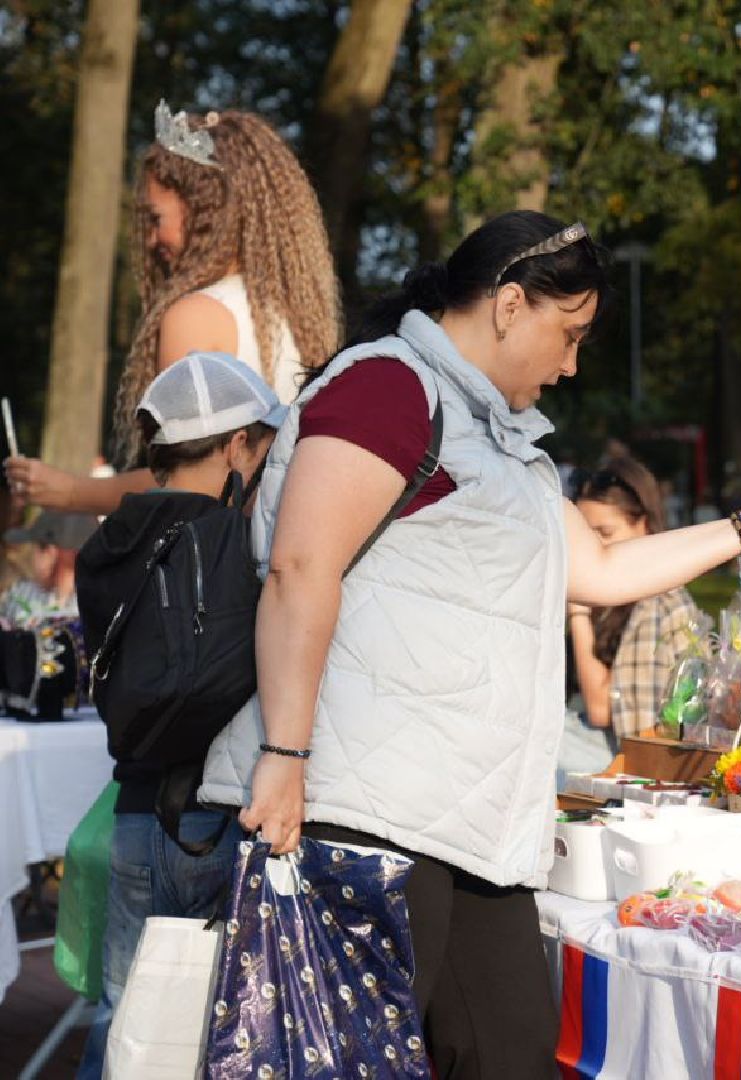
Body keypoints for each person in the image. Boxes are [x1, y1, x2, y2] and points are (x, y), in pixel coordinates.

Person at [196, 211, 741, 1077]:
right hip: (363, 812)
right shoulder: (387, 385)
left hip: (472, 825)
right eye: (567, 334)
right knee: (349, 1060)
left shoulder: (500, 439)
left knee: (512, 1053)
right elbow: (301, 566)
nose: (572, 364)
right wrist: (284, 751)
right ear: (507, 305)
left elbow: (603, 567)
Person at [72, 351, 284, 1079]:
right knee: (221, 1022)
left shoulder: (105, 545)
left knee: (124, 1012)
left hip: (132, 811)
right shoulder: (239, 542)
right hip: (219, 811)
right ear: (234, 446)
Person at [4, 102, 339, 514]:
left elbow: (183, 480)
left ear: (204, 212)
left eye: (156, 218)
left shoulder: (196, 316)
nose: (150, 240)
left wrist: (67, 492)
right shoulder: (290, 317)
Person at [568, 457, 705, 747]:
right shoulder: (615, 598)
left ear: (644, 525)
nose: (592, 547)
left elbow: (601, 709)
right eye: (584, 536)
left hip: (634, 761)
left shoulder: (658, 604)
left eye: (605, 533)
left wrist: (577, 610)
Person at [0, 510, 96, 628]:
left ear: (53, 552)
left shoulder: (95, 606)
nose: (32, 556)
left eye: (39, 547)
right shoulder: (20, 594)